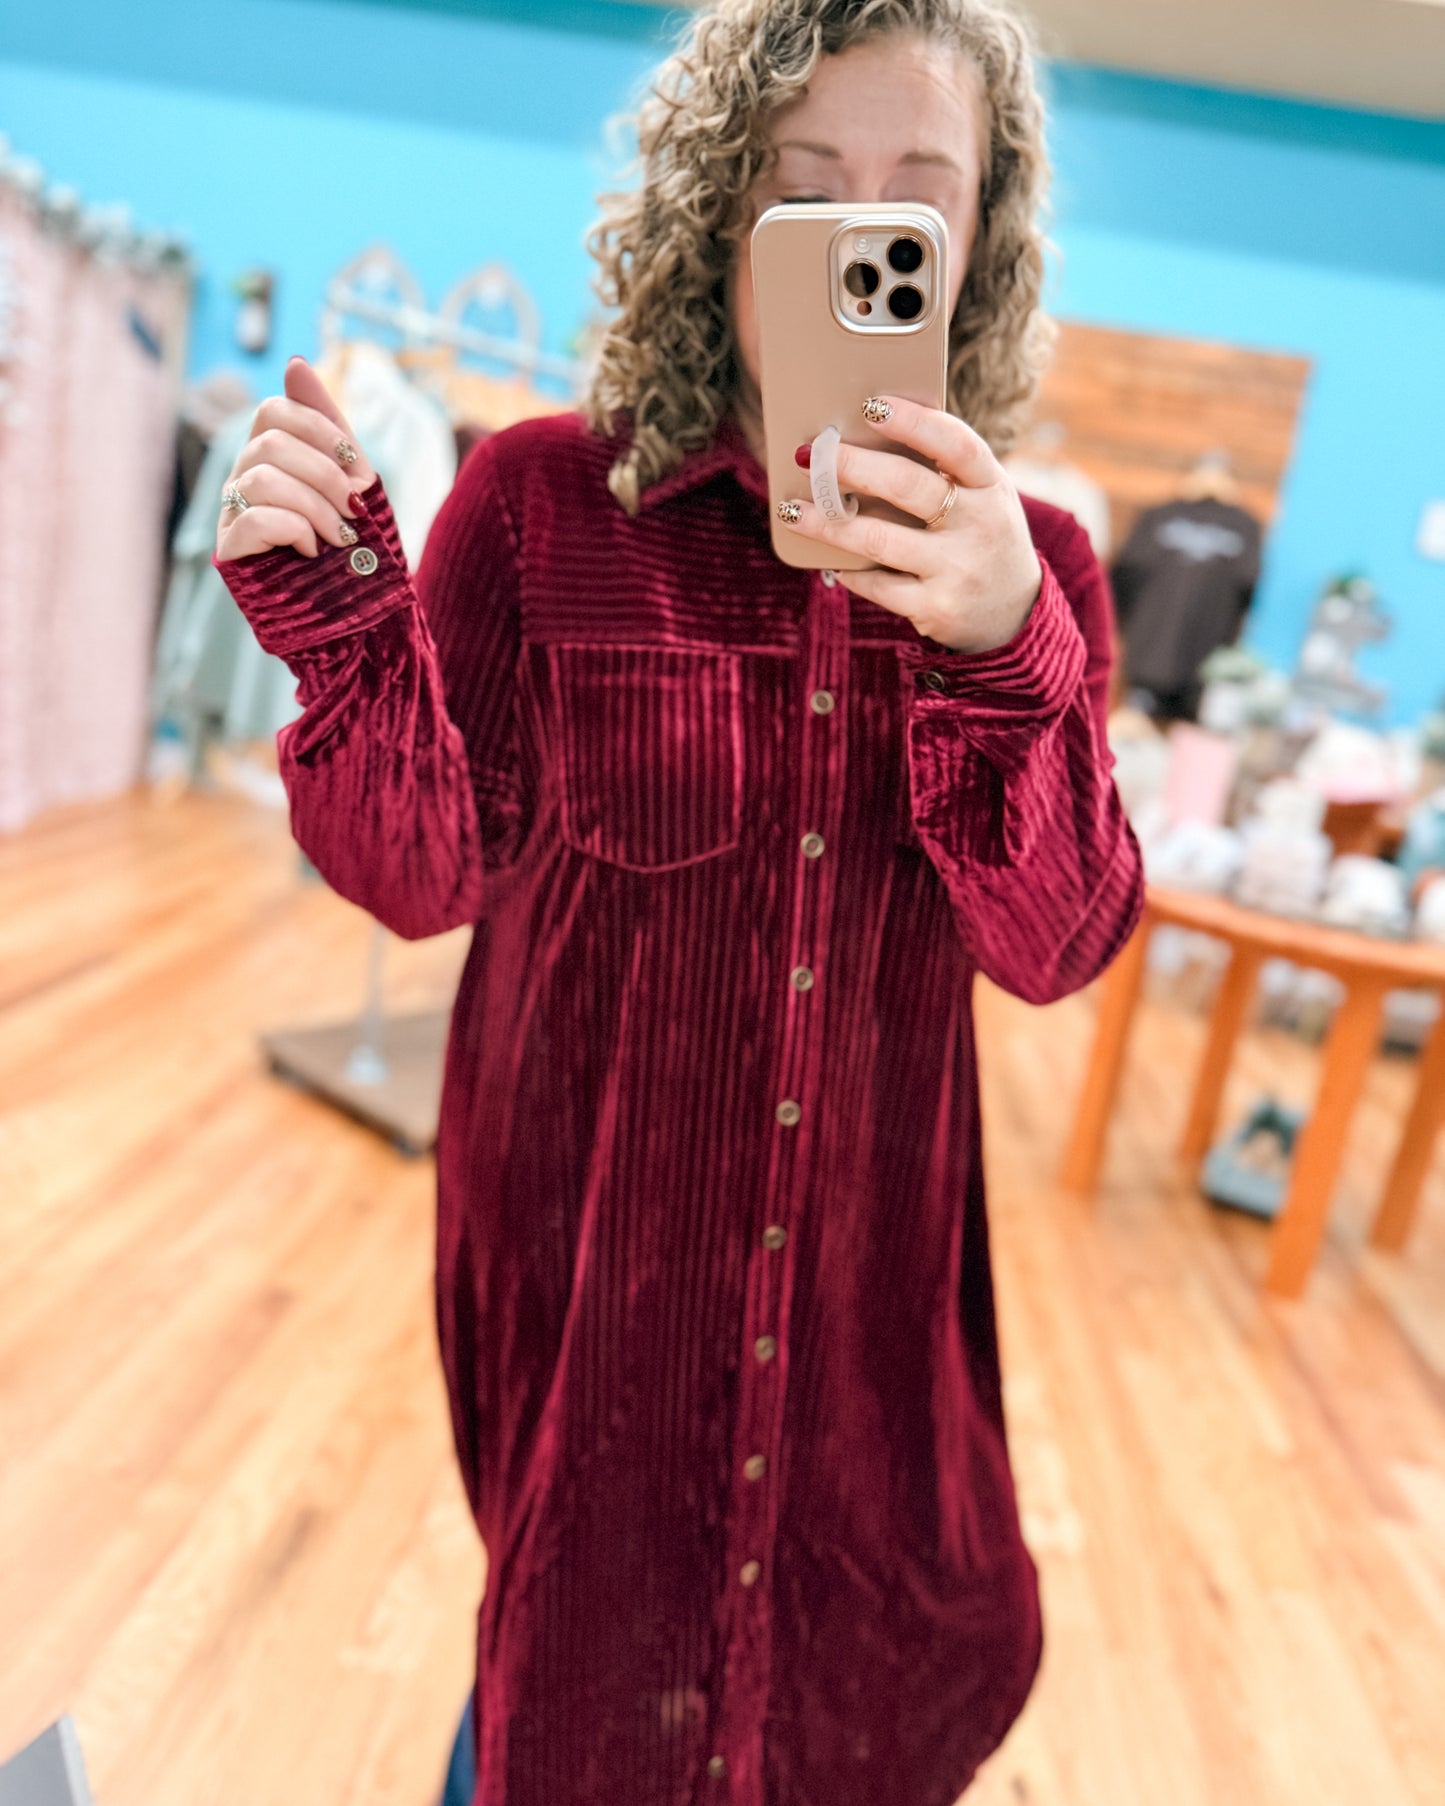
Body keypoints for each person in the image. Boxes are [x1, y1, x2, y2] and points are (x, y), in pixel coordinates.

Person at [212, 2, 1143, 1800]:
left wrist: (993, 642)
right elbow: (419, 876)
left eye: (914, 203)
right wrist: (341, 634)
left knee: (841, 1695)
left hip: (867, 1360)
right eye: (803, 194)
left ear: (977, 246)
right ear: (720, 212)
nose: (860, 238)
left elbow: (1060, 939)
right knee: (564, 1681)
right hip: (594, 1337)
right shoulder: (541, 502)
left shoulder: (1040, 572)